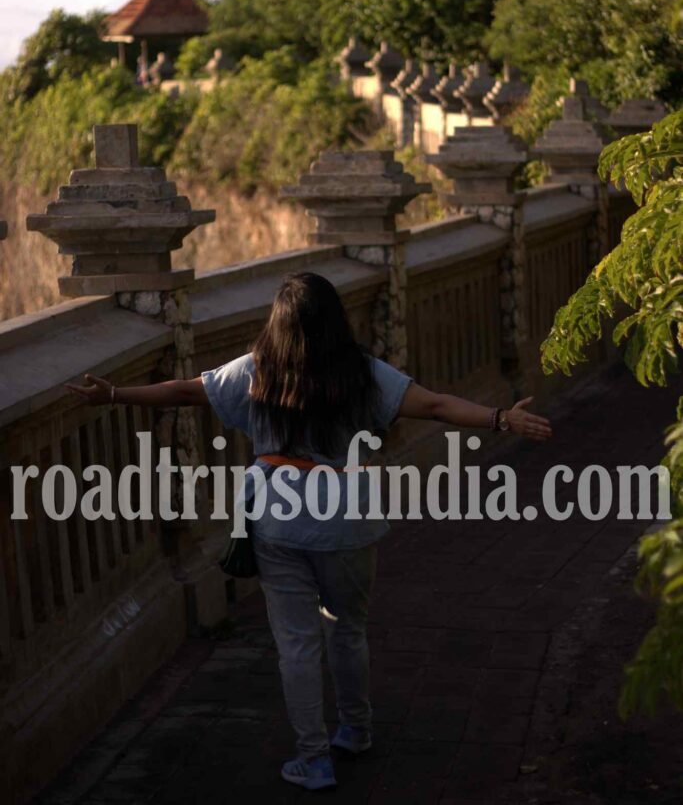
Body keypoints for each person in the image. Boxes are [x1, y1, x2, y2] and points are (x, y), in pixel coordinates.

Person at [68, 271, 552, 791]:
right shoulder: (362, 372)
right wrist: (502, 418)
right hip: (348, 516)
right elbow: (435, 404)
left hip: (278, 518)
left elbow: (186, 391)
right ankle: (357, 730)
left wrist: (114, 393)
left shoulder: (259, 370)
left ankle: (313, 759)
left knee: (296, 644)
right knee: (348, 628)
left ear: (277, 322)